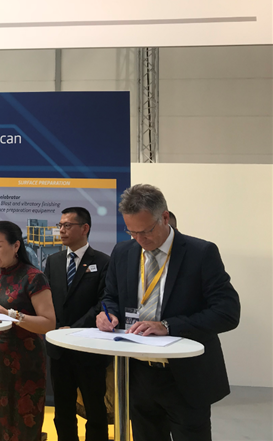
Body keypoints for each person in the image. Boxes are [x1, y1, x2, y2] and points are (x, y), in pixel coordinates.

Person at [96, 184, 240, 441]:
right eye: (132, 232)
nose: (139, 239)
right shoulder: (123, 252)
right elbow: (111, 297)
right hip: (137, 374)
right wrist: (108, 314)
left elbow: (228, 312)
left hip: (185, 376)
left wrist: (169, 326)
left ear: (164, 217)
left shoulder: (200, 253)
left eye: (146, 231)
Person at [0, 221, 56, 441]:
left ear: (16, 246)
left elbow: (48, 323)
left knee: (21, 421)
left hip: (23, 361)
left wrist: (12, 315)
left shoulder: (33, 277)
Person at [44, 207, 110, 441]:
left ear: (85, 228)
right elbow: (47, 299)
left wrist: (75, 329)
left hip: (89, 348)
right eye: (60, 225)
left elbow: (103, 302)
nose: (61, 230)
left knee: (95, 409)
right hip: (59, 348)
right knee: (63, 409)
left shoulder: (102, 261)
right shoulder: (53, 261)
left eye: (67, 225)